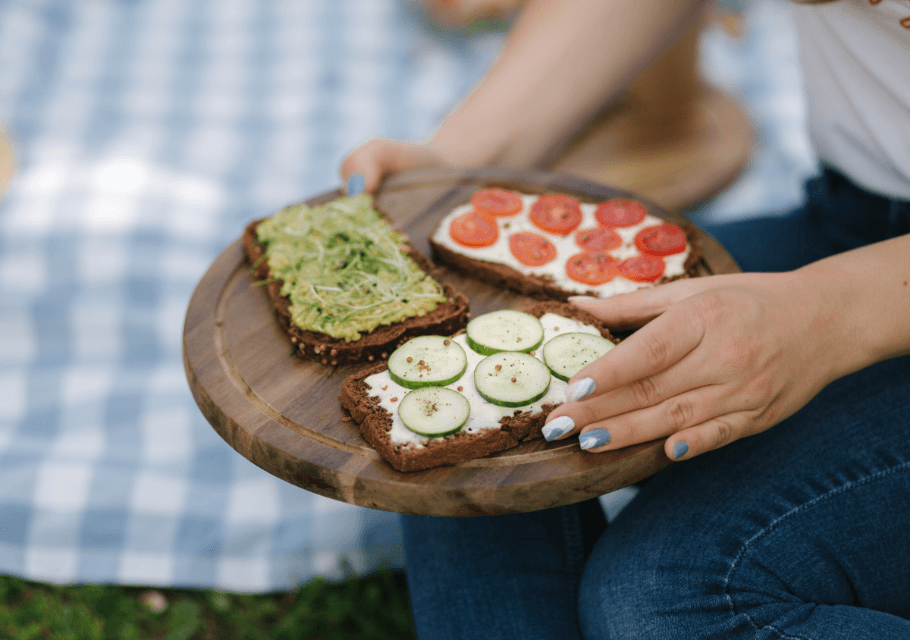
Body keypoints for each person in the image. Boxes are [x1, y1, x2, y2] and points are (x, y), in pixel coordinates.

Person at [339, 0, 910, 638]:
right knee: (457, 446)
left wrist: (832, 315)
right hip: (854, 219)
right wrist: (465, 162)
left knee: (659, 598)